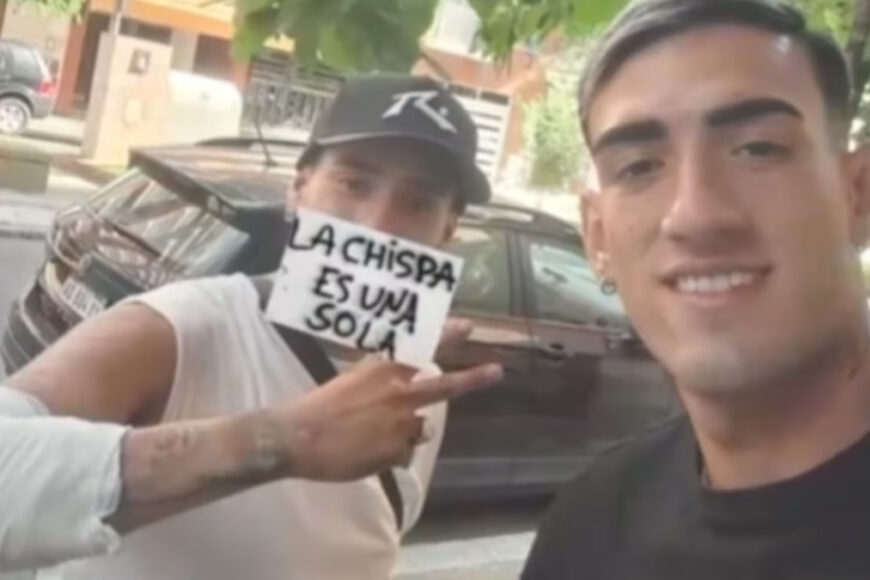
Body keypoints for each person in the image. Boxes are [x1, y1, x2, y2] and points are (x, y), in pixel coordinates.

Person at [522, 1, 870, 579]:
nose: (695, 214)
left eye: (758, 148)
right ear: (596, 236)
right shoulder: (587, 530)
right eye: (638, 168)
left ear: (863, 194)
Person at [3, 74, 503, 580]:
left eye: (418, 204)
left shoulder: (421, 389)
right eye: (354, 183)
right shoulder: (184, 327)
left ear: (446, 231)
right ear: (299, 190)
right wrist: (283, 440)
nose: (378, 225)